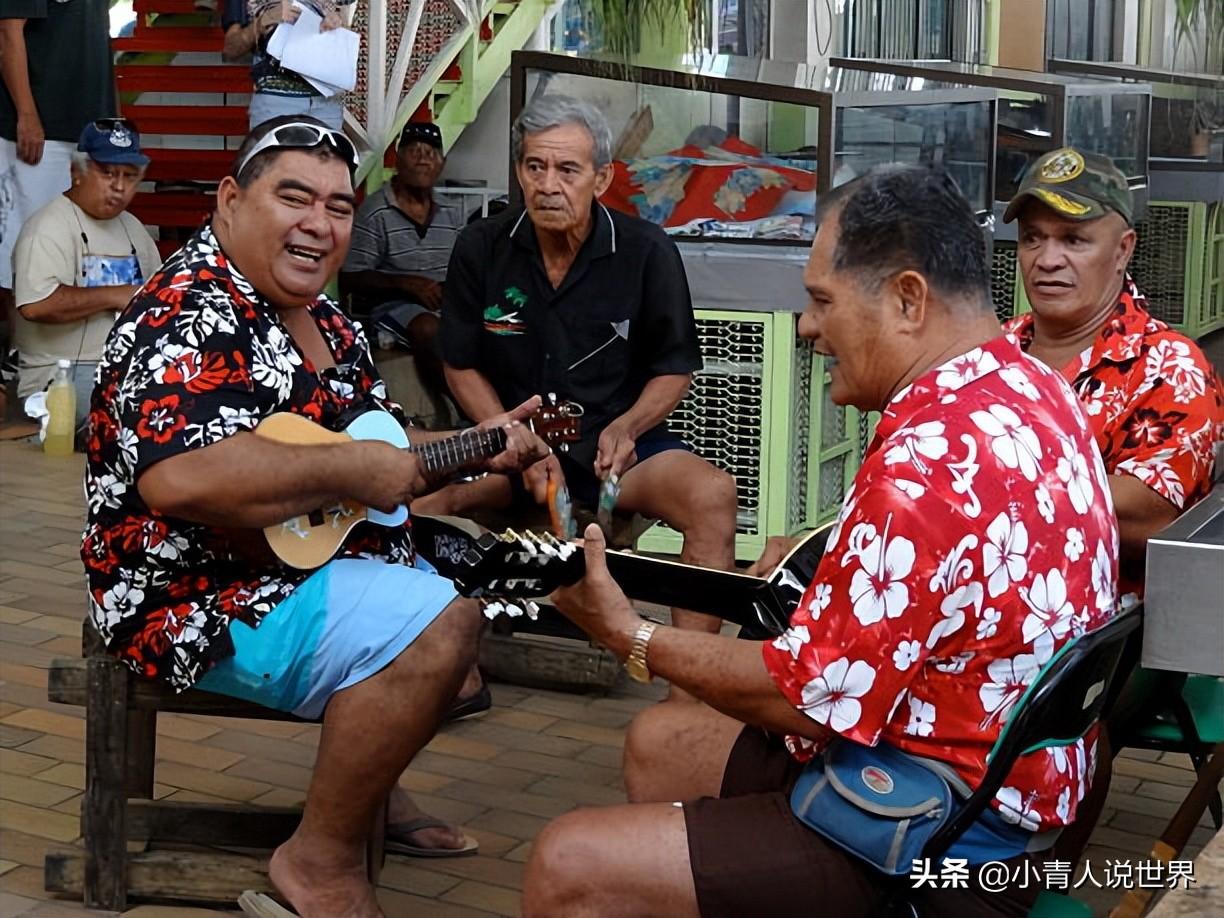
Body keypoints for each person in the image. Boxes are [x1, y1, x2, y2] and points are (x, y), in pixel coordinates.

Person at [521, 166, 1122, 918]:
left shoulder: (923, 462)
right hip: (1012, 790)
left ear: (908, 299)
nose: (807, 326)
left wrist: (626, 631)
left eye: (821, 300)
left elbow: (809, 698)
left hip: (946, 841)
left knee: (566, 863)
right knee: (662, 738)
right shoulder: (1035, 386)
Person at [81, 115, 551, 917]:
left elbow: (385, 445)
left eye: (338, 207)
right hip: (195, 593)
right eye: (292, 196)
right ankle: (320, 858)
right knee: (440, 628)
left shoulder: (328, 319)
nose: (318, 224)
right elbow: (181, 481)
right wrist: (353, 468)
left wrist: (482, 446)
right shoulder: (184, 310)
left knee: (498, 578)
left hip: (305, 559)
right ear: (230, 201)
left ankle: (368, 786)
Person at [435, 93, 738, 646]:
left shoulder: (647, 251)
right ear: (520, 171)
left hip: (614, 450)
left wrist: (629, 426)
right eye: (535, 166)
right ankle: (433, 668)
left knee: (711, 495)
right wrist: (510, 433)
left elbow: (674, 370)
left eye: (567, 169)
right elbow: (460, 364)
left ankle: (694, 691)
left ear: (602, 178)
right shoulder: (480, 246)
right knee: (422, 502)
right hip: (512, 447)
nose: (548, 184)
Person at [1002, 146, 1224, 861]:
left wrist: (988, 499)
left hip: (1109, 629)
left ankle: (1017, 872)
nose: (1047, 259)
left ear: (1123, 247)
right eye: (1033, 238)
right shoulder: (992, 355)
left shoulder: (1169, 367)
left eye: (1074, 239)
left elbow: (1146, 514)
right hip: (985, 604)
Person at [12, 118, 160, 437]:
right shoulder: (48, 227)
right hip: (60, 376)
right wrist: (115, 295)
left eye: (129, 176)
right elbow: (36, 305)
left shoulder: (135, 229)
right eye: (107, 173)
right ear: (76, 172)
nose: (119, 187)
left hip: (121, 368)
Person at [0, 0, 116, 320]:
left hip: (91, 121)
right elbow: (8, 33)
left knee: (82, 247)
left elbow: (93, 38)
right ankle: (19, 355)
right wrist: (26, 114)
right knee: (25, 249)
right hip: (42, 124)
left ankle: (71, 350)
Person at [340, 121, 465, 405]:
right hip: (392, 308)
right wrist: (406, 284)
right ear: (397, 159)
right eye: (414, 151)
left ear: (441, 164)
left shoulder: (451, 213)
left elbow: (462, 268)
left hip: (444, 303)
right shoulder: (376, 211)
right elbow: (350, 277)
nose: (423, 159)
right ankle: (462, 406)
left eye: (431, 153)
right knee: (426, 328)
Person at [221, 0, 351, 130]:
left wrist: (335, 24)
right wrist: (263, 21)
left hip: (327, 104)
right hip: (277, 104)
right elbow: (231, 49)